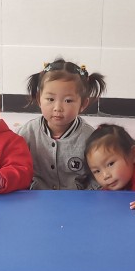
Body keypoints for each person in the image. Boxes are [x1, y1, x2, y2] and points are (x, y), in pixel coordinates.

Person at [18, 58, 106, 190]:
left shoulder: (90, 137)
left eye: (68, 100)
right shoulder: (27, 132)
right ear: (39, 99)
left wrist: (88, 196)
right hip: (36, 197)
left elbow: (97, 175)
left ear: (83, 104)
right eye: (50, 99)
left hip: (75, 199)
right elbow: (13, 163)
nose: (58, 108)